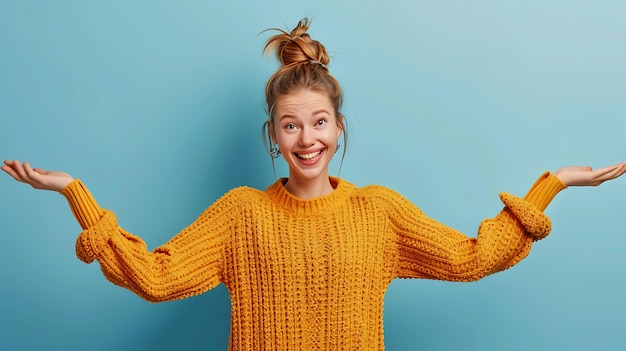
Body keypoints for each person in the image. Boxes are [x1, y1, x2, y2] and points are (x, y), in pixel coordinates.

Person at [2, 18, 625, 351]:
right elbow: (156, 277)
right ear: (273, 135)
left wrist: (556, 185)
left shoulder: (378, 212)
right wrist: (73, 193)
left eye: (318, 123)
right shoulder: (241, 214)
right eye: (291, 125)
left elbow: (472, 257)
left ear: (339, 126)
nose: (307, 140)